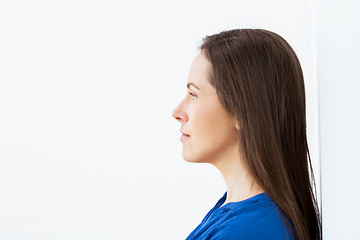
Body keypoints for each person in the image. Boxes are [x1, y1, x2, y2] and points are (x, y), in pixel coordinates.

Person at [171, 29, 322, 240]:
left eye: (193, 95)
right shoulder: (237, 213)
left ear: (241, 110)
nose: (177, 113)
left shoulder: (246, 231)